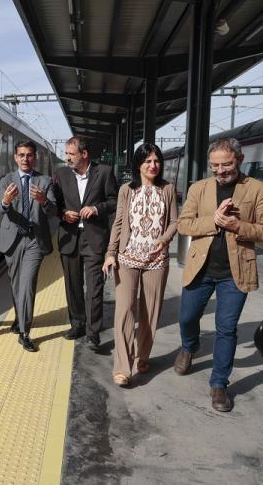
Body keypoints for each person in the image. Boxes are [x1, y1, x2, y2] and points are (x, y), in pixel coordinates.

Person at [175, 137, 263, 411]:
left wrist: (238, 226)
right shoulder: (199, 188)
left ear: (240, 160)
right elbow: (184, 224)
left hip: (235, 272)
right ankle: (189, 345)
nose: (220, 171)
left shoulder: (257, 189)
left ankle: (219, 384)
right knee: (187, 317)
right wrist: (214, 222)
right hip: (201, 269)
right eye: (215, 166)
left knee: (226, 328)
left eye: (227, 164)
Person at [102, 143, 178, 386]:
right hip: (127, 259)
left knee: (150, 314)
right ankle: (123, 368)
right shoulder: (127, 190)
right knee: (124, 311)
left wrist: (164, 240)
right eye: (147, 161)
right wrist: (110, 253)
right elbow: (118, 223)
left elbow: (176, 221)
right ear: (138, 165)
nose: (153, 165)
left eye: (156, 161)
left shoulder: (168, 189)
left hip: (157, 261)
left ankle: (142, 356)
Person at [53, 136, 118, 350]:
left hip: (94, 238)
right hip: (70, 237)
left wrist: (97, 208)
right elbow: (55, 204)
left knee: (94, 287)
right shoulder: (61, 174)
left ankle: (93, 333)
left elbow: (114, 200)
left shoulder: (105, 172)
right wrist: (63, 214)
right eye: (67, 153)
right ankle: (78, 324)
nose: (67, 157)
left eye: (71, 154)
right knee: (72, 286)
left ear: (84, 154)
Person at [0, 140, 57, 352]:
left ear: (35, 157)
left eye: (29, 155)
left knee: (27, 284)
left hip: (34, 240)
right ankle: (19, 318)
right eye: (21, 155)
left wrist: (43, 201)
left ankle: (24, 332)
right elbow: (0, 208)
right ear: (15, 157)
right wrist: (5, 201)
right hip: (12, 241)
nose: (25, 159)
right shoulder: (7, 180)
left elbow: (53, 212)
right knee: (16, 285)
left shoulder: (44, 181)